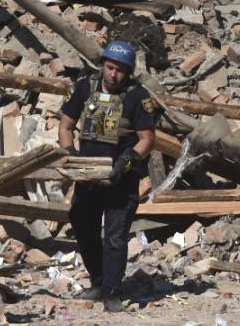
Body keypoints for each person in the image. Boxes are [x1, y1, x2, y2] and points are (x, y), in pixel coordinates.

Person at [59, 40, 157, 312]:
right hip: (88, 176)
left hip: (121, 177)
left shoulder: (139, 97)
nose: (114, 75)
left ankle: (113, 291)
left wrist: (125, 163)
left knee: (115, 235)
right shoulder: (83, 87)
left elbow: (147, 139)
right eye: (110, 68)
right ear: (103, 64)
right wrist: (71, 156)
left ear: (128, 72)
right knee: (81, 222)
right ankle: (99, 281)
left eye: (120, 71)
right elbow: (66, 126)